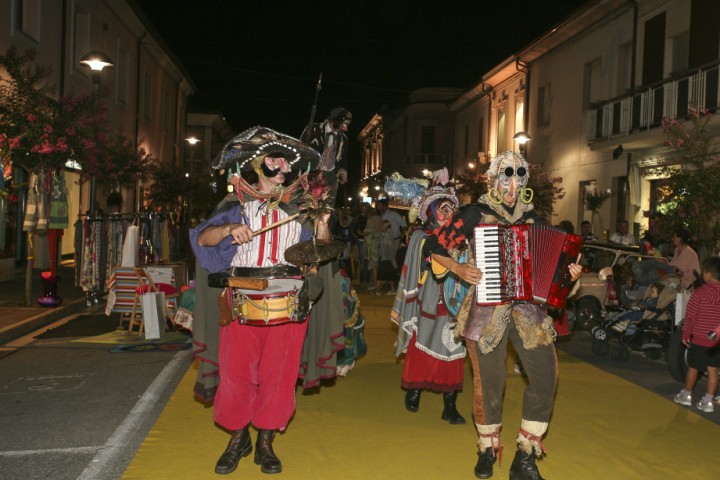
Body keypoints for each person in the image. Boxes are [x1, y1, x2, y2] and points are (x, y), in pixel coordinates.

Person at [421, 152, 582, 479]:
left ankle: (525, 455)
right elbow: (432, 248)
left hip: (528, 312)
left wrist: (570, 275)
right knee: (489, 385)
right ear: (494, 180)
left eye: (518, 180)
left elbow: (553, 278)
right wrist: (459, 267)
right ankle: (487, 448)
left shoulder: (534, 219)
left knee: (546, 377)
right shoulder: (473, 214)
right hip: (486, 311)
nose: (512, 187)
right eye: (506, 179)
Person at [190, 127, 326, 475]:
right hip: (241, 299)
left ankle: (266, 441)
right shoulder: (236, 205)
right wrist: (228, 230)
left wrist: (322, 223)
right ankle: (238, 437)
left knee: (278, 376)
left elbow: (323, 250)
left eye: (286, 166)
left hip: (288, 301)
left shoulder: (302, 208)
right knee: (236, 375)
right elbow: (203, 238)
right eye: (276, 164)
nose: (283, 171)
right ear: (259, 166)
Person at [390, 169, 467, 425]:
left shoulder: (461, 239)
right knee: (423, 343)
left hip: (455, 300)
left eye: (451, 211)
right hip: (429, 297)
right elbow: (420, 264)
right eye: (442, 210)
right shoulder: (421, 237)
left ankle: (450, 404)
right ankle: (414, 390)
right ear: (432, 211)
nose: (448, 215)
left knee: (454, 349)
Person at [673, 257, 720, 413]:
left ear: (708, 275)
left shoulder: (699, 293)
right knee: (713, 370)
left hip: (700, 338)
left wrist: (686, 333)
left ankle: (686, 395)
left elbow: (691, 315)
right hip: (716, 342)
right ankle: (707, 401)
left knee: (693, 368)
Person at [300, 107, 352, 208]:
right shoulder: (313, 129)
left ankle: (326, 223)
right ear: (335, 121)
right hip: (312, 173)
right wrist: (313, 170)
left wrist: (342, 172)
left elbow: (343, 158)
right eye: (344, 123)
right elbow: (301, 149)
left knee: (328, 207)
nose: (346, 128)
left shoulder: (344, 139)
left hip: (331, 175)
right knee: (309, 204)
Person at [376, 197, 407, 262]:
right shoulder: (381, 215)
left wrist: (403, 234)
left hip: (394, 240)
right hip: (384, 240)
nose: (378, 208)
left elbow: (404, 224)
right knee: (384, 258)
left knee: (391, 258)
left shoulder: (394, 215)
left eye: (379, 206)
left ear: (384, 206)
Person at [376, 219, 398, 295]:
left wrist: (384, 257)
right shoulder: (386, 234)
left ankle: (377, 290)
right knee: (389, 275)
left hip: (386, 258)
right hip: (387, 258)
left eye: (381, 225)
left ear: (385, 226)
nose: (380, 227)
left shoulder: (387, 235)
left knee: (380, 274)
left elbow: (386, 247)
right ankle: (392, 289)